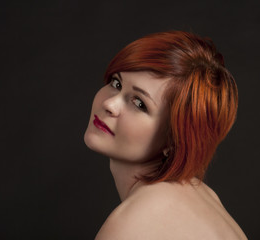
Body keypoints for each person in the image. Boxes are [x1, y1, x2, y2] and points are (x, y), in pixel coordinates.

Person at [84, 31, 247, 240]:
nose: (109, 104)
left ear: (175, 138)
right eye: (116, 83)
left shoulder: (135, 223)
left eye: (139, 103)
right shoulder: (201, 194)